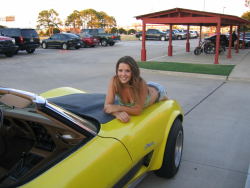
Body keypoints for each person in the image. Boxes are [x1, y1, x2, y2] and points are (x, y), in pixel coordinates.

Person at [104, 56, 168, 123]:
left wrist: (118, 108)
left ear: (133, 72)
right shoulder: (114, 81)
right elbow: (107, 106)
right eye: (120, 70)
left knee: (168, 109)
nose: (123, 74)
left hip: (158, 91)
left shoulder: (140, 83)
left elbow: (138, 110)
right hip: (147, 88)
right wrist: (116, 113)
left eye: (127, 71)